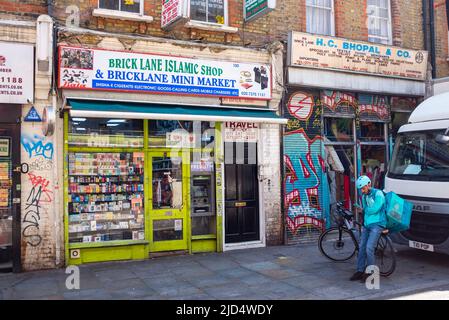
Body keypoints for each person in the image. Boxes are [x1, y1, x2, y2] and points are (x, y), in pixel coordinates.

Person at [350, 175, 387, 282]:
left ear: (369, 184)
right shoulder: (365, 196)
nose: (362, 191)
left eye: (363, 188)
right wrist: (362, 210)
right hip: (367, 225)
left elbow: (374, 209)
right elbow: (366, 210)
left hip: (377, 224)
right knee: (361, 247)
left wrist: (364, 210)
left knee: (369, 248)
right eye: (360, 189)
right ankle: (360, 270)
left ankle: (371, 273)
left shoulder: (378, 194)